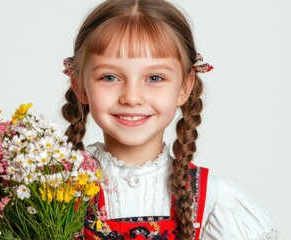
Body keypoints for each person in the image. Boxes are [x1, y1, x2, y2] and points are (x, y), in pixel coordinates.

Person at [60, 0, 278, 239]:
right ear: (80, 85)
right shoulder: (50, 193)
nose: (132, 97)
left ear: (184, 87)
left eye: (154, 78)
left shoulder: (214, 202)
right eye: (110, 77)